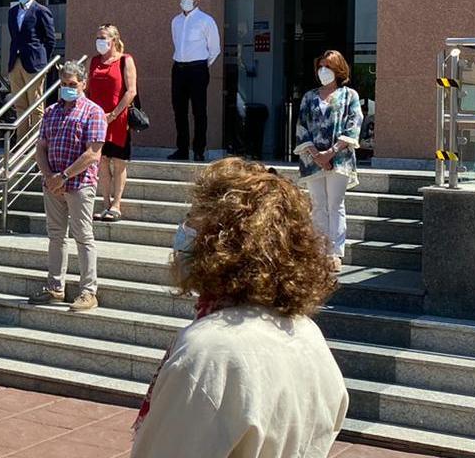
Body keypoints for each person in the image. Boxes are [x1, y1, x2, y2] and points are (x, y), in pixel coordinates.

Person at [131, 158, 347, 457]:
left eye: (194, 219)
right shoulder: (308, 334)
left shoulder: (207, 353)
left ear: (222, 240)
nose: (183, 231)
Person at [29, 61, 105, 313]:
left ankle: (88, 291)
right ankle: (55, 287)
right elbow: (41, 147)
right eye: (64, 84)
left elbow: (93, 153)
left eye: (73, 84)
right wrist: (50, 176)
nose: (68, 88)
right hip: (52, 184)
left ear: (84, 84)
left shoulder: (93, 112)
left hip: (79, 184)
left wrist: (63, 176)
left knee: (83, 236)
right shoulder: (51, 111)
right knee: (55, 235)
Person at [293, 50, 363, 272]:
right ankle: (318, 251)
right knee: (318, 206)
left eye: (328, 67)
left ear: (338, 69)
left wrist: (331, 153)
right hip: (312, 159)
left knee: (335, 204)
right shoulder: (309, 96)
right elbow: (302, 127)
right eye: (321, 66)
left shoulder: (349, 95)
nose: (323, 70)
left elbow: (354, 125)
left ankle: (335, 253)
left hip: (340, 159)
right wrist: (316, 155)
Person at [89, 24, 138, 222]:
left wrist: (113, 115)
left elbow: (131, 91)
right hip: (97, 120)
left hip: (118, 120)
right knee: (102, 163)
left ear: (114, 40)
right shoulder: (94, 61)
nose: (99, 41)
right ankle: (105, 203)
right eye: (98, 37)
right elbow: (87, 89)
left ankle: (116, 204)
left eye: (103, 37)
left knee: (118, 163)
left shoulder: (125, 60)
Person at [169, 0, 221, 161]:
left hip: (197, 69)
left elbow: (214, 49)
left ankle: (199, 149)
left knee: (199, 110)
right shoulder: (176, 21)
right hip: (179, 68)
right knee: (179, 110)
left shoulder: (205, 20)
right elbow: (176, 43)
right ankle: (182, 149)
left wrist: (202, 65)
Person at [6, 0, 57, 139]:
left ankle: (36, 142)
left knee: (35, 105)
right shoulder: (13, 12)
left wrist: (43, 60)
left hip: (34, 62)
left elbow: (50, 39)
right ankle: (21, 141)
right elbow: (14, 36)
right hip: (16, 61)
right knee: (20, 104)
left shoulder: (41, 10)